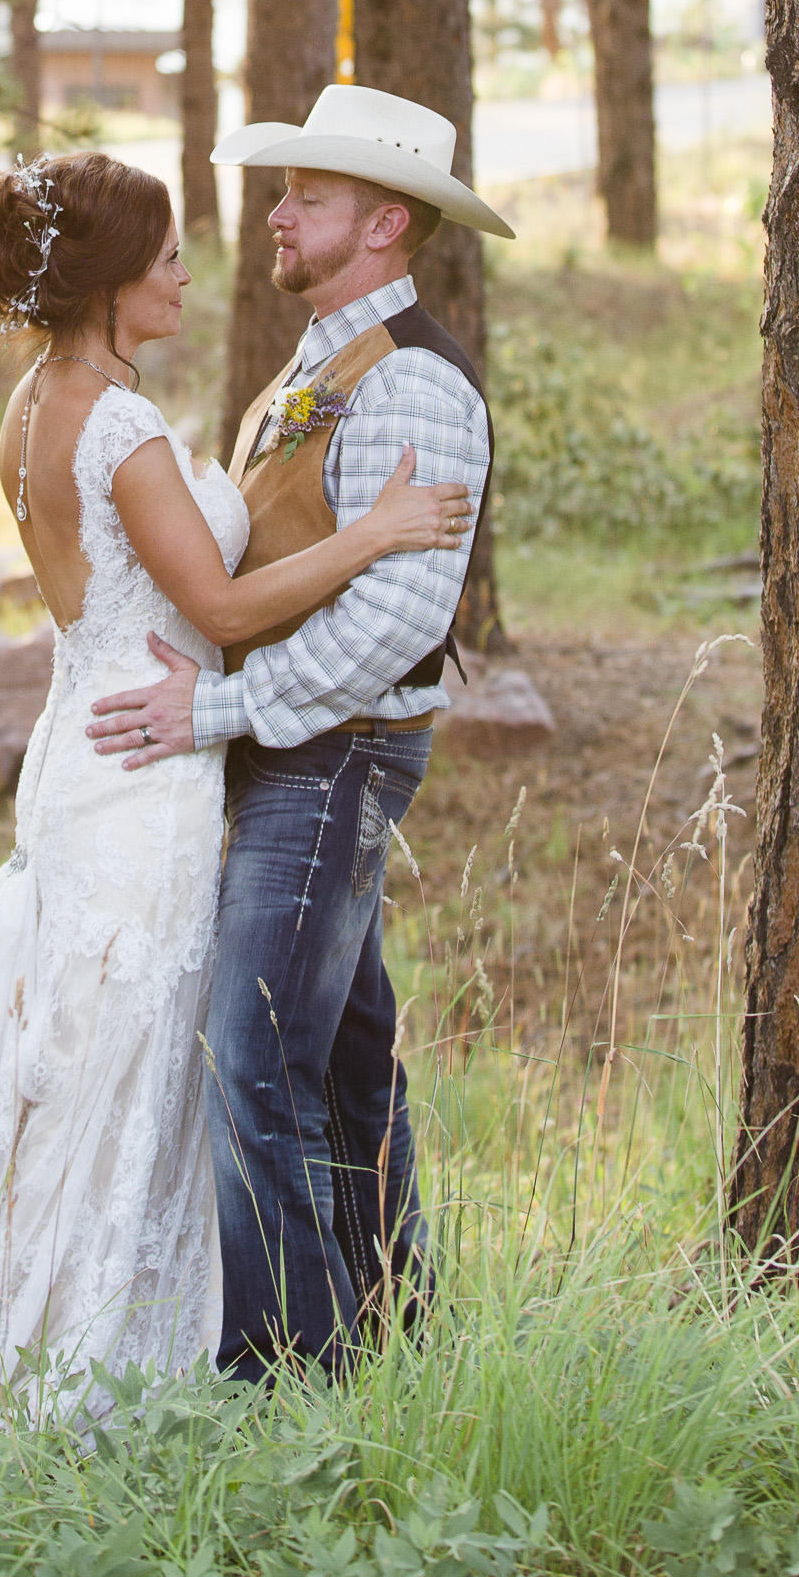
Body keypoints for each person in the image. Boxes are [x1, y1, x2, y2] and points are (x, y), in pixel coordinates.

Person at [0, 144, 474, 1415]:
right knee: (162, 1043)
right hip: (153, 749)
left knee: (105, 1040)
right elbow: (214, 596)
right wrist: (369, 534)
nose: (189, 267)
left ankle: (101, 1303)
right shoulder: (127, 419)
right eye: (163, 256)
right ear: (105, 281)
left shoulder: (33, 403)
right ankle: (141, 1333)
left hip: (93, 734)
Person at [88, 85, 511, 1383]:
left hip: (334, 756)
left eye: (307, 198)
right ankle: (393, 1330)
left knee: (248, 1047)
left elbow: (393, 624)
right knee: (339, 1058)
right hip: (294, 747)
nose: (276, 216)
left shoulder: (418, 386)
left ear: (385, 224)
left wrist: (210, 709)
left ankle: (285, 1372)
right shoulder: (316, 362)